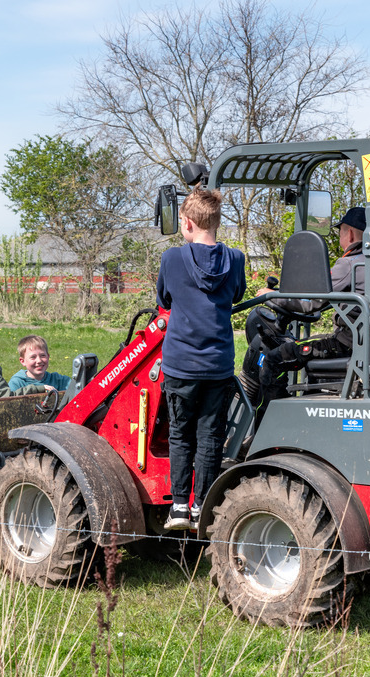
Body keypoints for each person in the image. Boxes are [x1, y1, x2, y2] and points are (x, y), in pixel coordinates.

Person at [156, 187, 247, 531]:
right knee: (211, 437)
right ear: (216, 222)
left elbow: (164, 297)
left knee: (181, 434)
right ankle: (201, 507)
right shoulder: (235, 259)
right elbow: (236, 293)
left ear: (189, 223)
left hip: (181, 363)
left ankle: (179, 506)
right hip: (217, 364)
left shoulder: (173, 259)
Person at [242, 206, 367, 411]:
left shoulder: (350, 264)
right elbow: (324, 299)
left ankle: (273, 425)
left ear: (350, 234)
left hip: (347, 346)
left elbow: (309, 303)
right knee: (302, 346)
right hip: (362, 344)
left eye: (341, 232)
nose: (339, 237)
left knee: (275, 360)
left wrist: (271, 296)